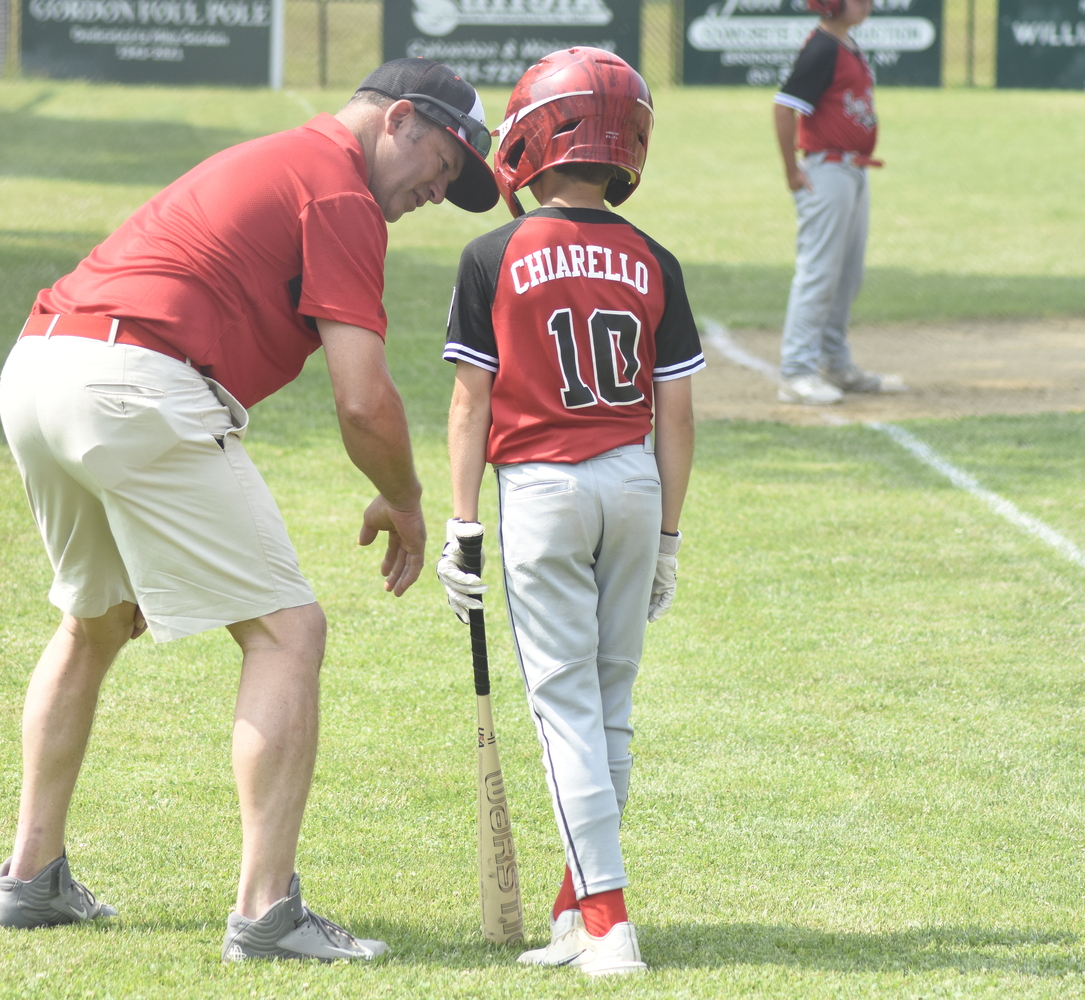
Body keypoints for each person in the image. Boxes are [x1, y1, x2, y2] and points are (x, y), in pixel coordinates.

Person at [0, 58, 500, 961]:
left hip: (39, 369)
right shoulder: (339, 192)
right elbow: (361, 397)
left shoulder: (284, 157)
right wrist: (405, 498)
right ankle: (268, 913)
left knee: (94, 622)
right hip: (130, 384)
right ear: (399, 122)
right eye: (445, 163)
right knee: (288, 632)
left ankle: (32, 879)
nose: (438, 188)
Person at [435, 48, 701, 976]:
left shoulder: (492, 252)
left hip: (542, 489)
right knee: (610, 700)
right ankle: (572, 909)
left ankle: (608, 922)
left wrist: (461, 521)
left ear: (536, 137)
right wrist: (668, 533)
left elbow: (472, 402)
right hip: (632, 482)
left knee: (562, 708)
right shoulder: (654, 258)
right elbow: (678, 414)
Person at [772, 0, 905, 405]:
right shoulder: (823, 48)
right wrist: (791, 169)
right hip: (826, 169)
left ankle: (835, 361)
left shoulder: (845, 44)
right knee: (819, 272)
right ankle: (796, 371)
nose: (867, 3)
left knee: (848, 274)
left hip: (853, 170)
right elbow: (784, 107)